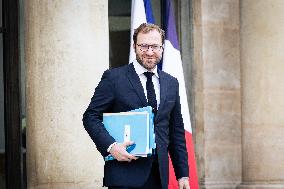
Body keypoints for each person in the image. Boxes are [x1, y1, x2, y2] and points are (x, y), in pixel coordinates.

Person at [83, 23, 190, 189]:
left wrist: (183, 174)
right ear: (134, 46)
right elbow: (90, 117)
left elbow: (175, 130)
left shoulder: (171, 83)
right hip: (124, 176)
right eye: (143, 46)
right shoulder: (114, 78)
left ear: (162, 48)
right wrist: (111, 147)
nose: (149, 52)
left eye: (154, 46)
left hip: (158, 177)